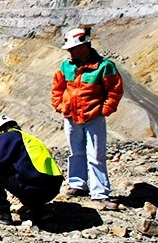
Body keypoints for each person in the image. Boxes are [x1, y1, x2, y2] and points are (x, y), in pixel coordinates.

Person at [51, 27, 123, 211]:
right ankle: (77, 184)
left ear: (84, 46)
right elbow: (57, 88)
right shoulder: (66, 66)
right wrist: (60, 106)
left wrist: (105, 109)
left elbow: (114, 90)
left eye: (72, 48)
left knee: (96, 155)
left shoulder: (104, 66)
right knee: (76, 152)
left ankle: (100, 194)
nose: (69, 52)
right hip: (71, 117)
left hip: (93, 117)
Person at [0, 115, 63, 224]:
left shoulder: (8, 135)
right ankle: (40, 212)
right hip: (52, 190)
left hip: (33, 191)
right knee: (29, 176)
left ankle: (1, 211)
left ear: (0, 131)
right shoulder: (30, 139)